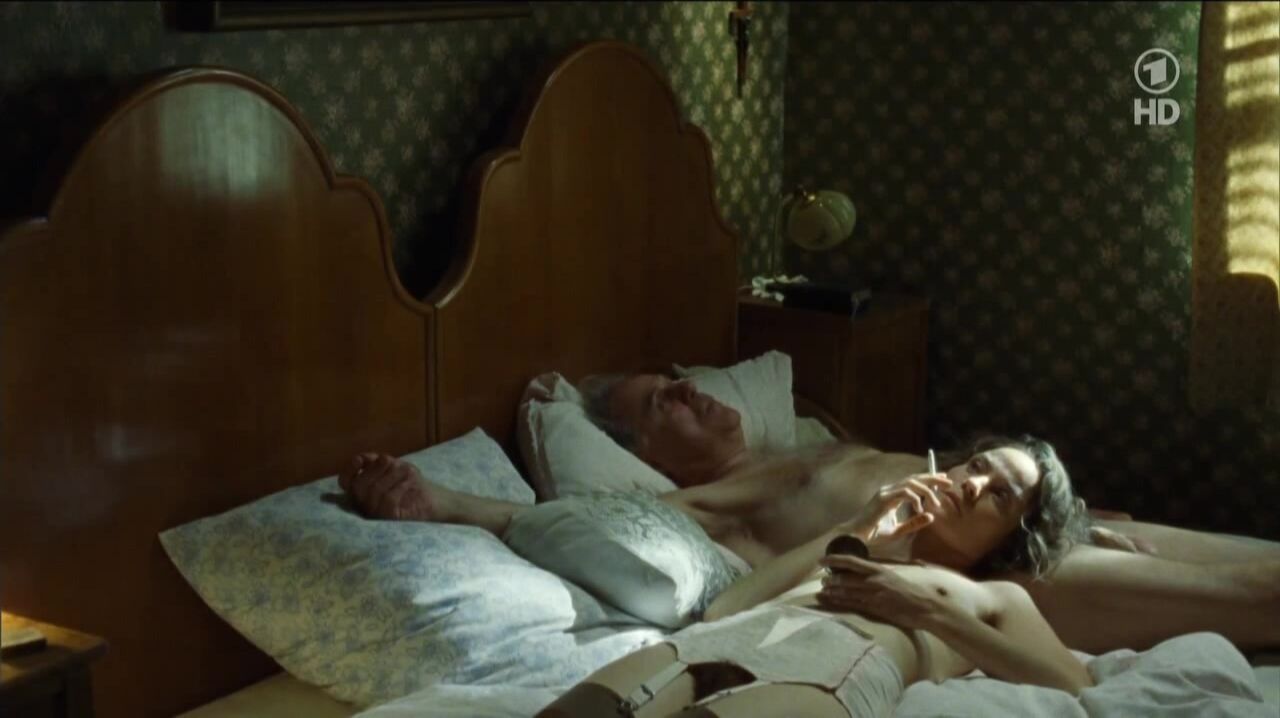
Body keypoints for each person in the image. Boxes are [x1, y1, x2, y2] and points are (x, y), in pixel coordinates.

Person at [338, 372, 1280, 654]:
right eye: (663, 402)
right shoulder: (708, 506)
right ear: (647, 450)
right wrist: (441, 500)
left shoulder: (803, 444)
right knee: (1258, 602)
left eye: (682, 378)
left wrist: (1075, 512)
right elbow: (564, 522)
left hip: (1041, 523)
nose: (690, 390)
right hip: (1002, 566)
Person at [532, 484, 1095, 718]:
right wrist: (857, 526)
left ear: (1013, 536)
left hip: (839, 665)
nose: (972, 484)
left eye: (999, 493)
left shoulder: (994, 594)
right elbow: (726, 609)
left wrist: (924, 611)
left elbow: (1074, 684)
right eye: (976, 466)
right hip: (727, 635)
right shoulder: (856, 546)